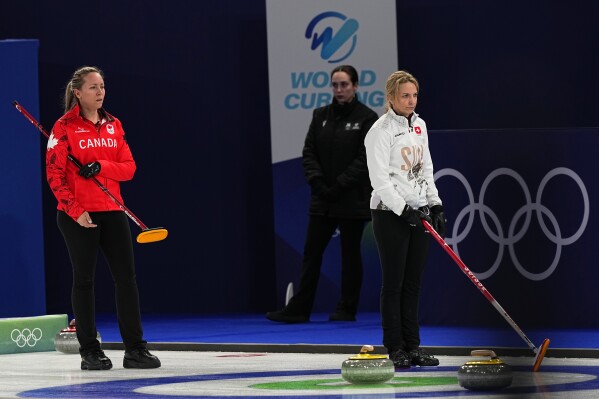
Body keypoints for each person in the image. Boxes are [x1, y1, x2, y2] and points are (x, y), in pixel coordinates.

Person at [46, 66, 161, 370]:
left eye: (102, 87)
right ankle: (89, 351)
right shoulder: (63, 128)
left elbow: (129, 168)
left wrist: (99, 165)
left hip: (113, 212)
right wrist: (76, 211)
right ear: (78, 92)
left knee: (127, 280)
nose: (100, 93)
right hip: (79, 216)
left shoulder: (114, 125)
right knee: (84, 281)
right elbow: (55, 176)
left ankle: (135, 349)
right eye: (93, 88)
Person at [266, 65, 378, 323]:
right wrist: (318, 183)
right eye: (335, 85)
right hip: (322, 199)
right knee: (311, 252)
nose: (339, 90)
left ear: (355, 86)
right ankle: (299, 309)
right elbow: (309, 153)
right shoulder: (320, 116)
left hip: (351, 199)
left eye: (344, 85)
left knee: (350, 255)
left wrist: (339, 185)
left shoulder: (367, 118)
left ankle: (346, 308)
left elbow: (365, 159)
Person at [364, 70, 446, 368]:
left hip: (419, 210)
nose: (410, 101)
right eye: (404, 96)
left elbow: (426, 169)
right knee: (394, 282)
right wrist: (403, 210)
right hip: (390, 214)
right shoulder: (380, 130)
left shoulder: (420, 125)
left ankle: (414, 346)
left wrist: (435, 204)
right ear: (391, 98)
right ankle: (395, 347)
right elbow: (380, 180)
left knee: (413, 283)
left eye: (414, 95)